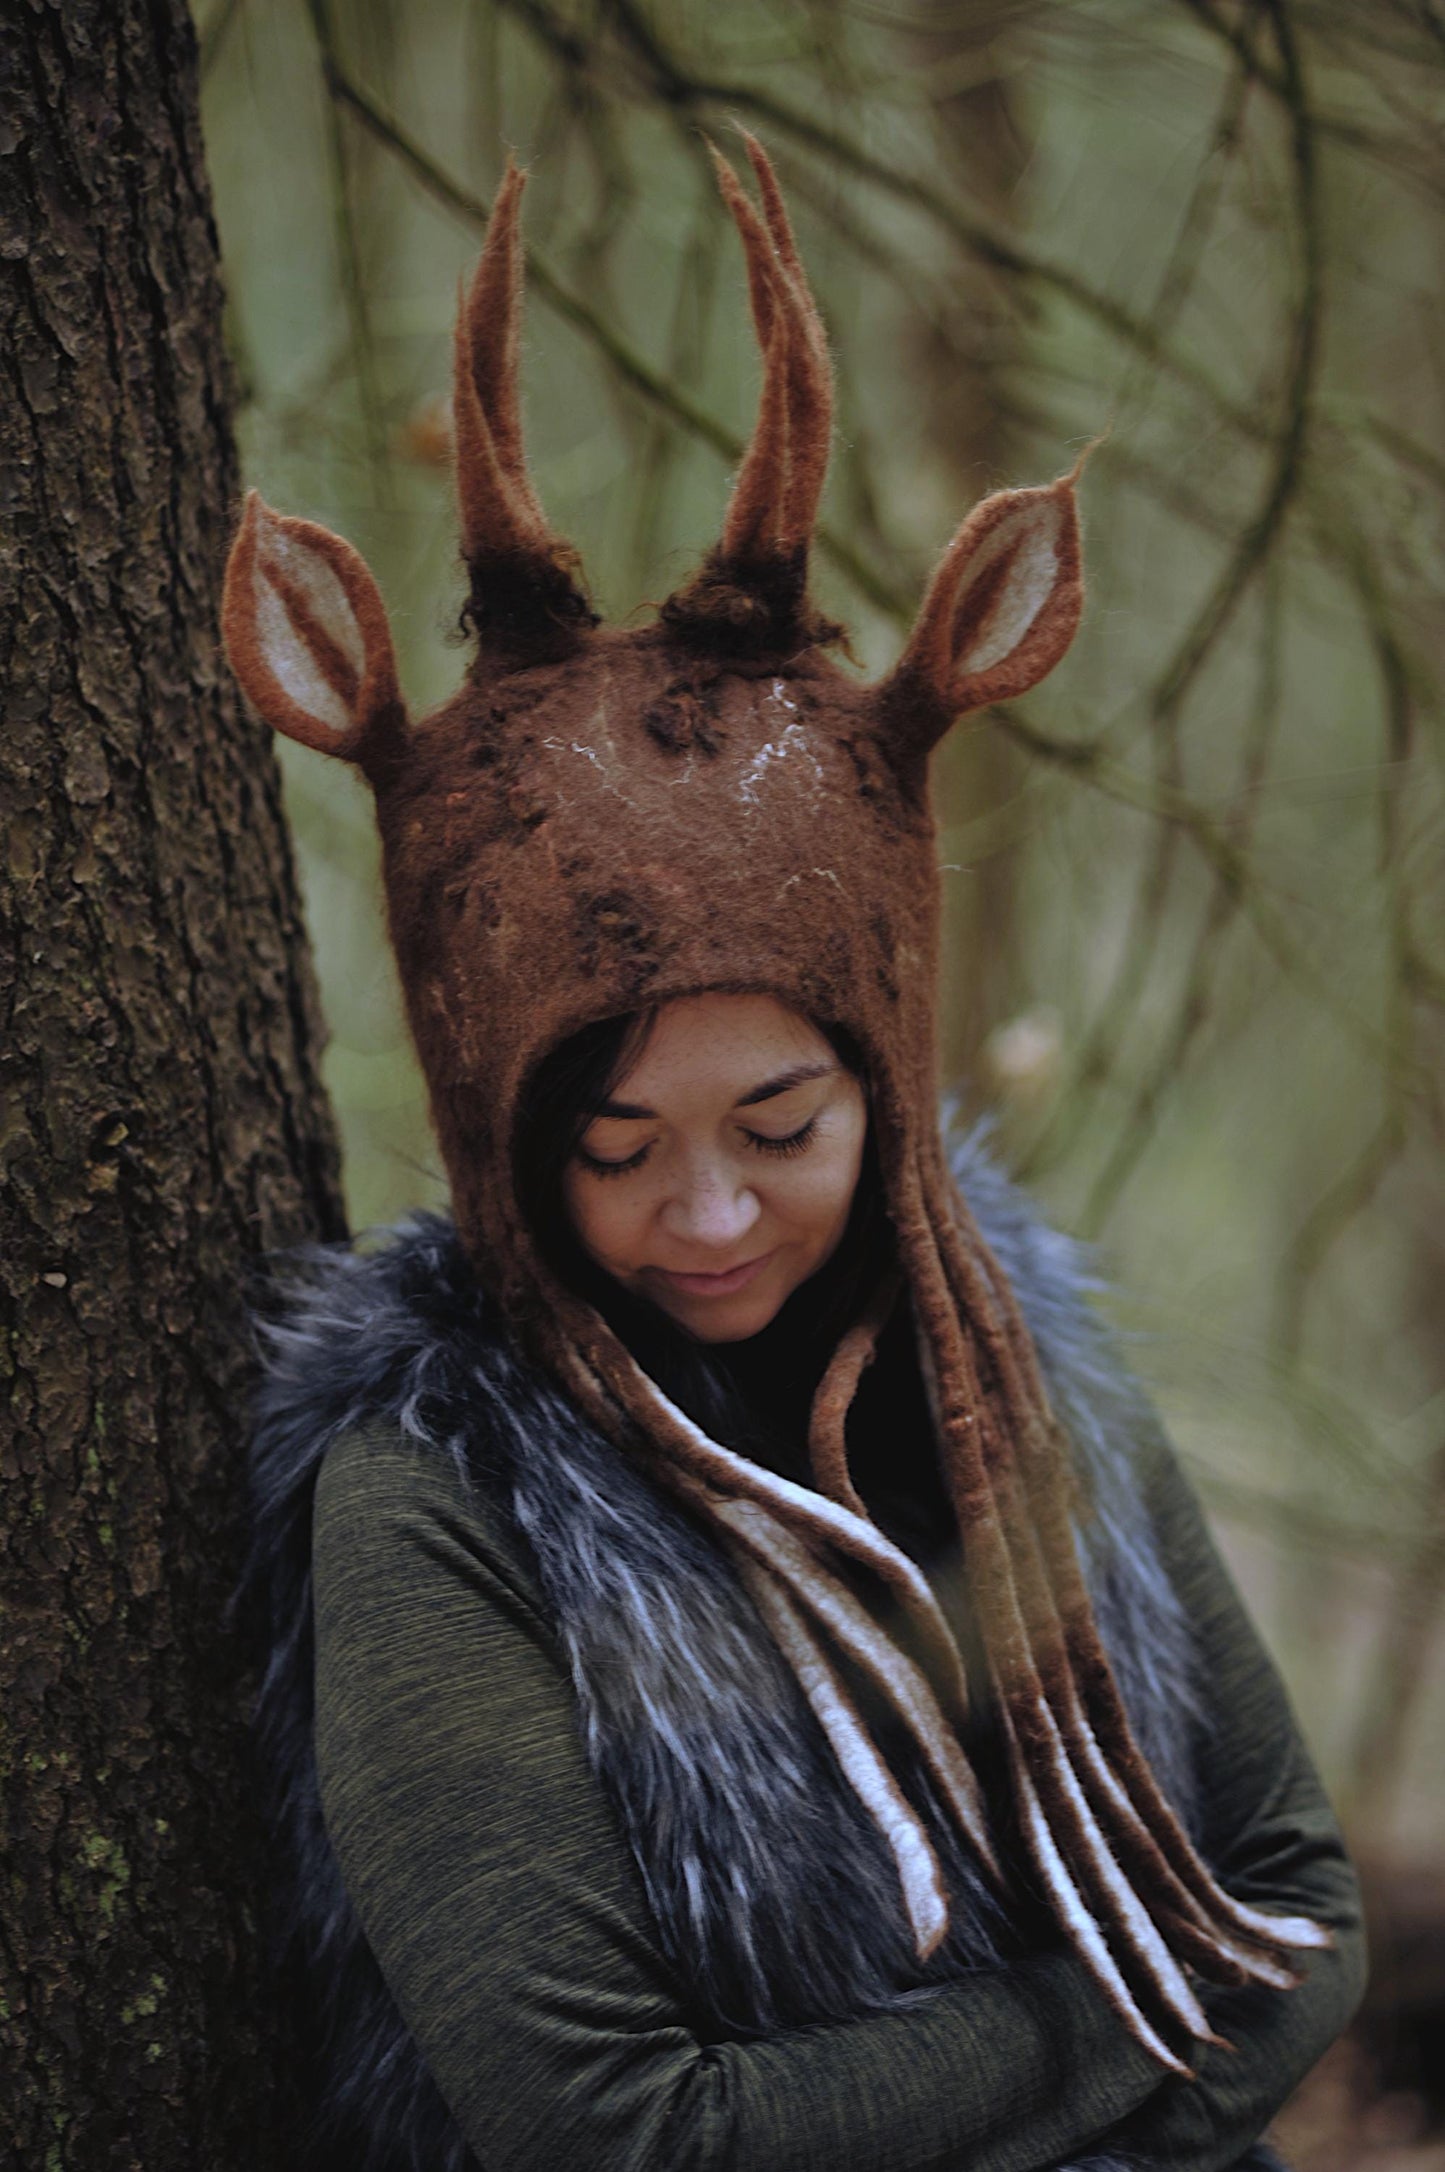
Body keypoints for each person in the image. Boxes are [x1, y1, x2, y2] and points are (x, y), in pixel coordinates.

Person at [227, 140, 1365, 2172]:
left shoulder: (1026, 1371)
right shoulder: (438, 1509)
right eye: (615, 1144)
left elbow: (1308, 1908)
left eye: (784, 1124)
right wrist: (1129, 2028)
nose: (713, 1212)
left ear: (884, 1087)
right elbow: (618, 2133)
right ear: (503, 1150)